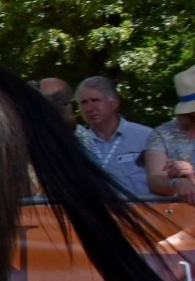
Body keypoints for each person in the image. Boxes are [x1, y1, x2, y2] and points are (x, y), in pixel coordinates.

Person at [75, 75, 152, 198]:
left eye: (95, 100)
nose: (89, 108)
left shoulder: (146, 137)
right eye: (83, 102)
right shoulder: (77, 143)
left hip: (142, 213)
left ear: (114, 103)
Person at [144, 68, 195, 204]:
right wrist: (175, 182)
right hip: (177, 220)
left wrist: (192, 176)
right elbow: (155, 179)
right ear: (190, 111)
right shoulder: (161, 134)